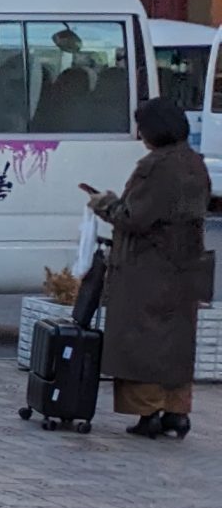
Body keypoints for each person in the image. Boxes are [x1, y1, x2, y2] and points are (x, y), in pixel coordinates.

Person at [83, 95, 212, 440]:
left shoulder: (156, 167)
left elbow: (135, 218)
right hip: (185, 265)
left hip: (148, 267)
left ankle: (148, 413)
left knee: (142, 339)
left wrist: (104, 203)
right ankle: (177, 412)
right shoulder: (194, 163)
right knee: (176, 342)